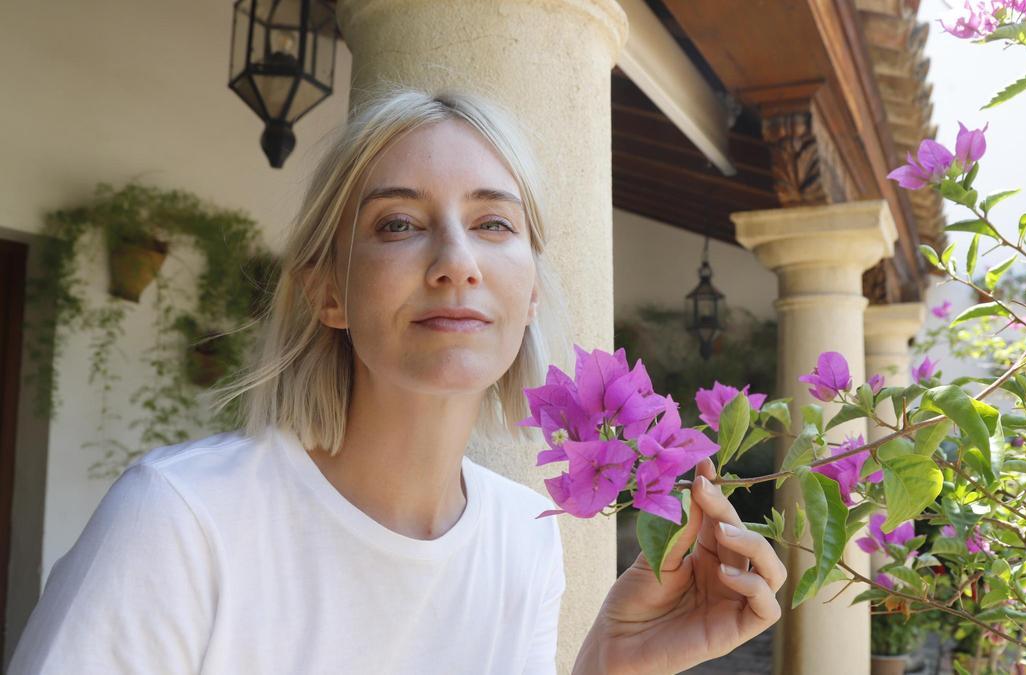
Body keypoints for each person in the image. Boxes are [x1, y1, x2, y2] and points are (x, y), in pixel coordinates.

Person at [9, 87, 786, 674]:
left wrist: (608, 667)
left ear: (530, 292)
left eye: (493, 223)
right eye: (399, 224)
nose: (457, 261)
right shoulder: (184, 520)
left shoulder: (522, 538)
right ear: (328, 292)